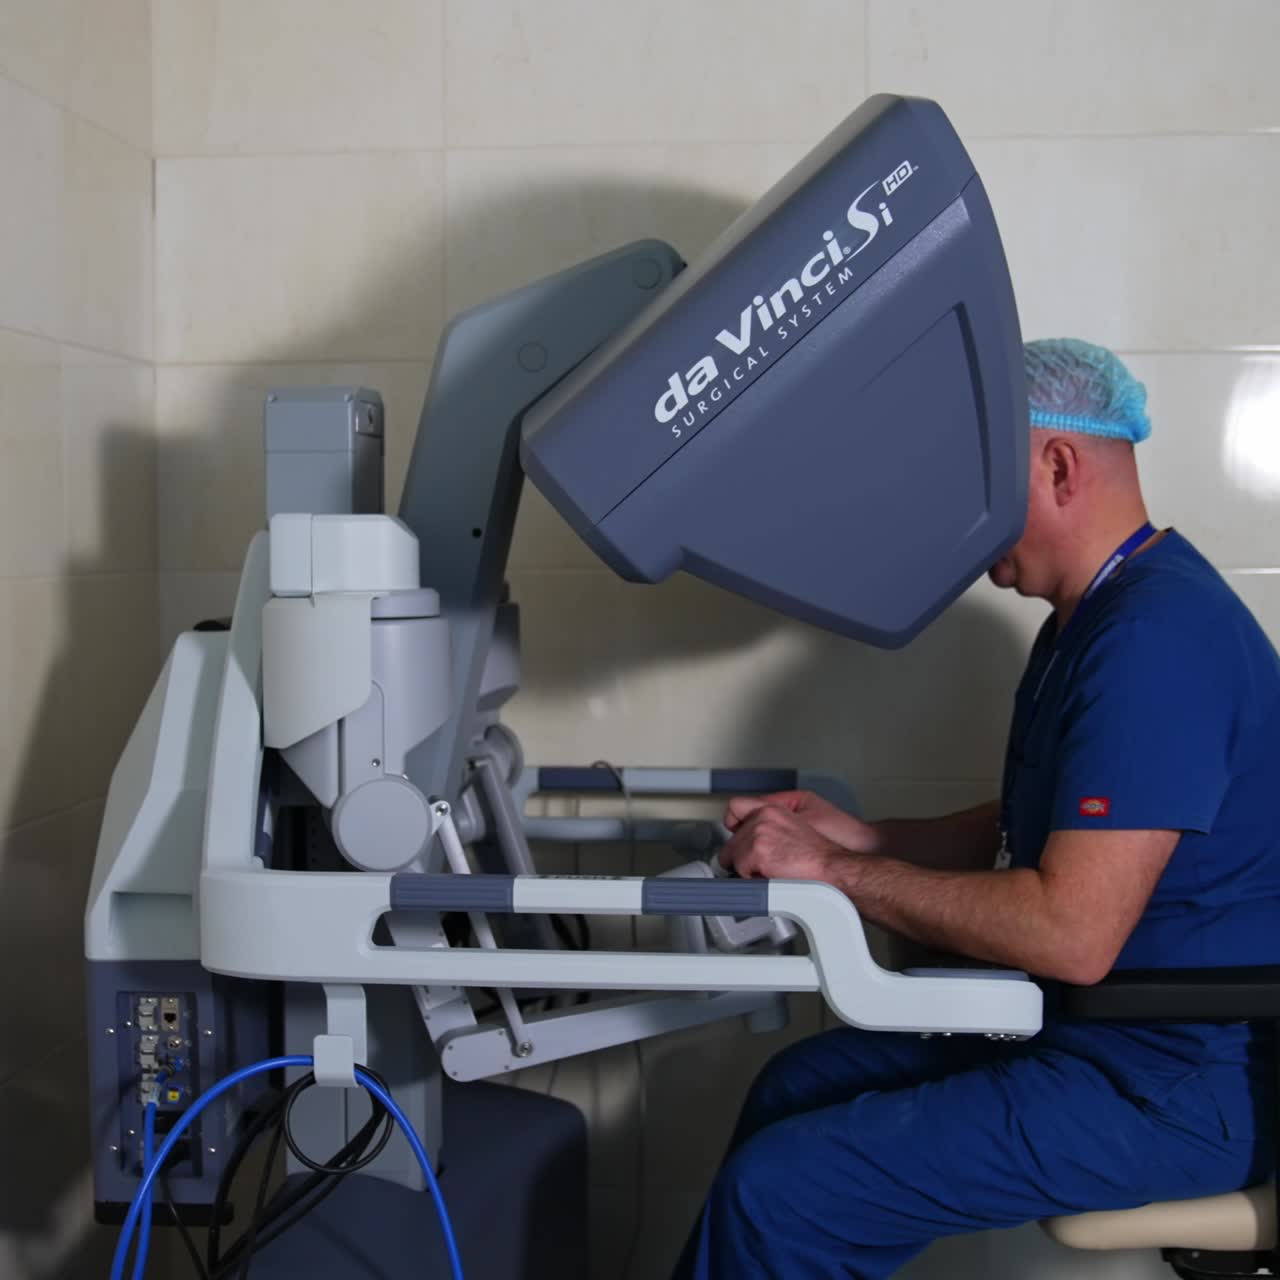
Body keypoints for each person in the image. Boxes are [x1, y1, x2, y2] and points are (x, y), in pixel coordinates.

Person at [673, 338, 1280, 1279]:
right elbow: (1045, 825)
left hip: (1176, 1083)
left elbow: (1071, 928)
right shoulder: (1092, 618)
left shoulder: (1157, 640)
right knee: (794, 1088)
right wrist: (860, 835)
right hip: (1100, 1037)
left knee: (784, 1191)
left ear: (1060, 465)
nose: (959, 520)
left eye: (976, 487)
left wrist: (830, 871)